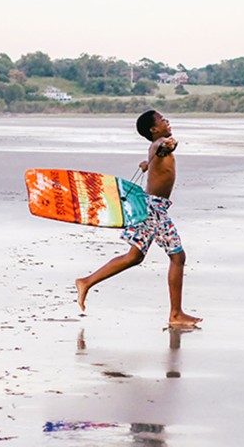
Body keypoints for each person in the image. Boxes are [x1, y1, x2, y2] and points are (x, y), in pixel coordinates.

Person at [75, 110, 202, 328]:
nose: (167, 121)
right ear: (154, 129)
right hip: (153, 209)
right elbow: (163, 148)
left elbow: (156, 157)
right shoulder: (161, 144)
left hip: (149, 207)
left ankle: (86, 282)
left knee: (134, 257)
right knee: (177, 257)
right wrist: (169, 146)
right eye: (163, 120)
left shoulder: (154, 149)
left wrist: (148, 164)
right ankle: (175, 314)